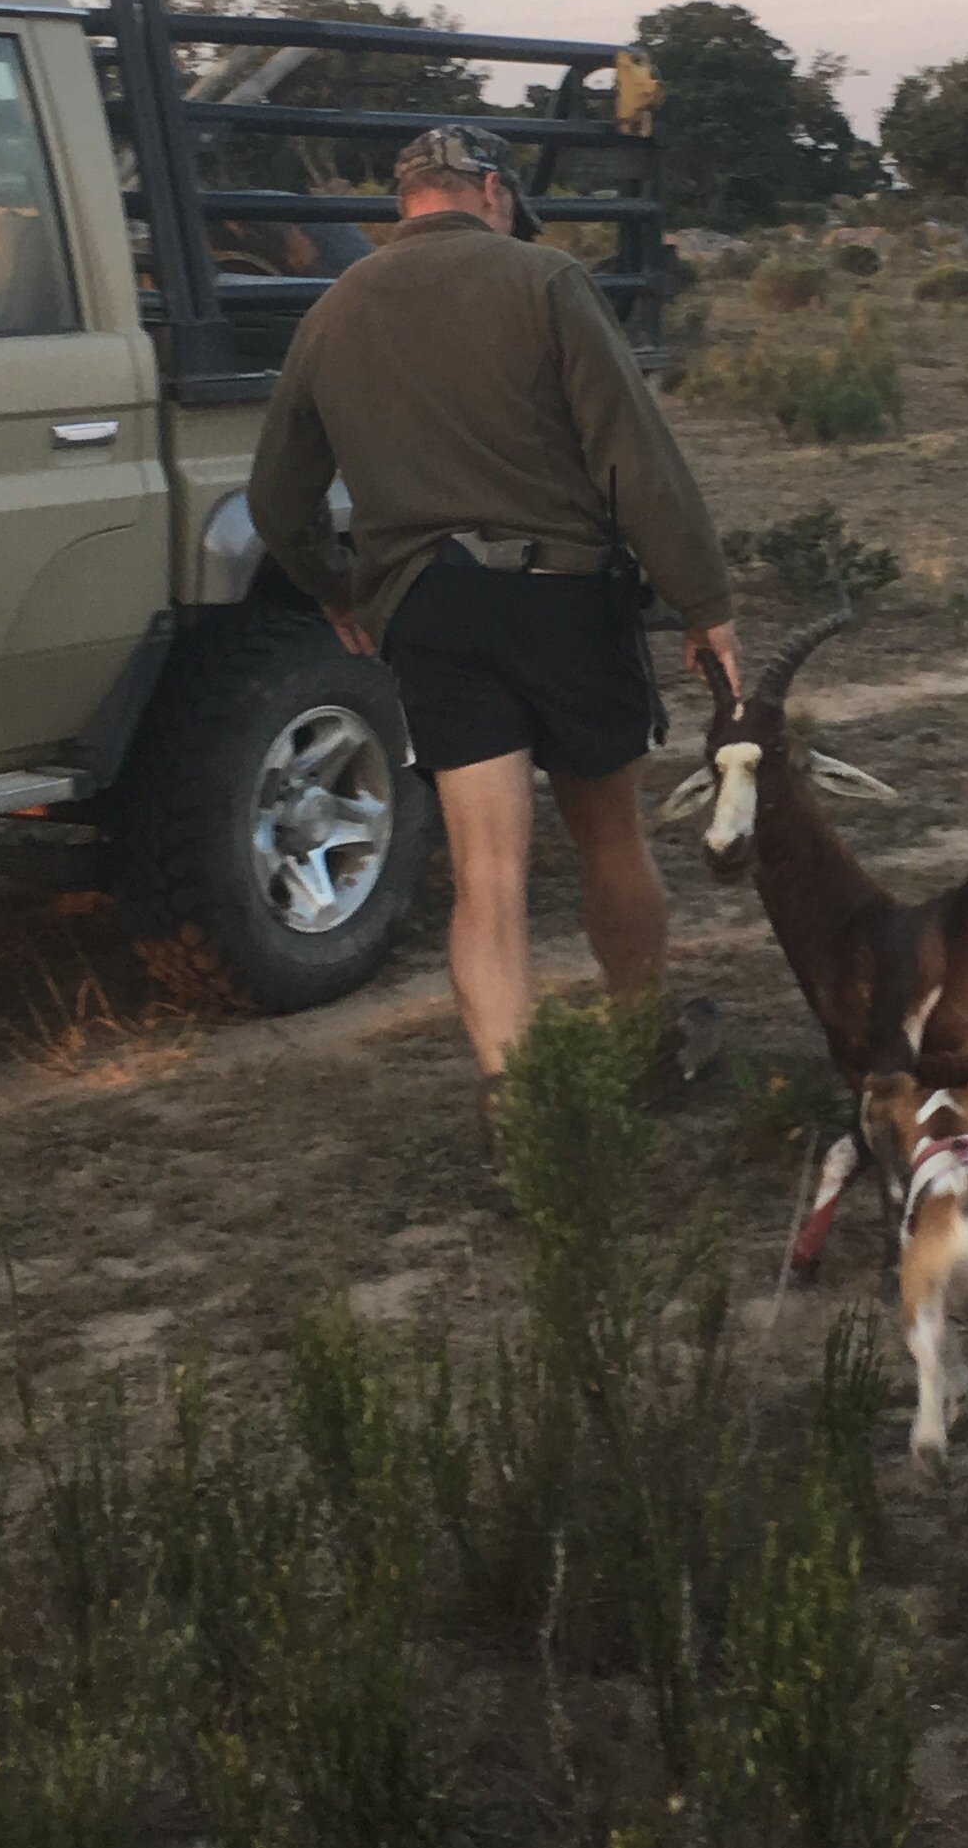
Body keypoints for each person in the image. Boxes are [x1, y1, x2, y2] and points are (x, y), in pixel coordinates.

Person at [246, 120, 742, 1117]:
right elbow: (634, 459)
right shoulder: (545, 282)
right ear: (491, 194)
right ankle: (646, 1042)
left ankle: (518, 1111)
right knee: (609, 836)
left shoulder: (336, 308)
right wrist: (706, 604)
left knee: (488, 870)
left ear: (406, 201)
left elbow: (275, 500)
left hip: (432, 605)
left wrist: (338, 587)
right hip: (563, 596)